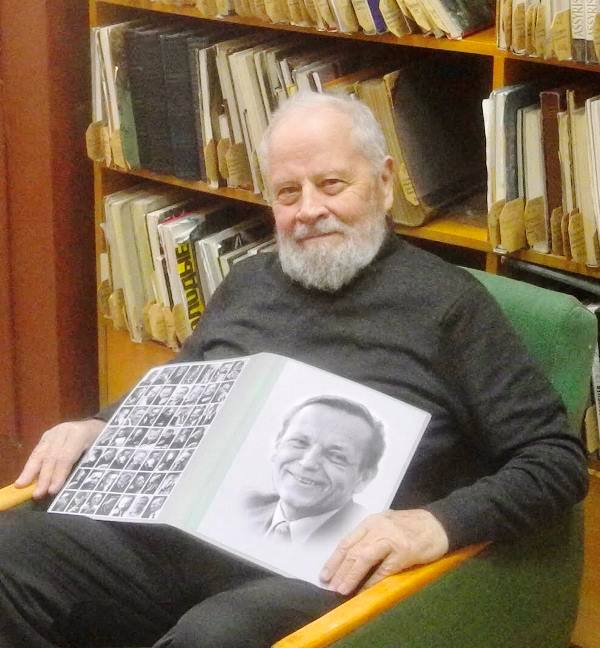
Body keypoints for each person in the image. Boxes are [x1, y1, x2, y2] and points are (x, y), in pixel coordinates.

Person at [0, 91, 587, 647]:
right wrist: (101, 425)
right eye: (287, 193)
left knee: (216, 636)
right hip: (181, 534)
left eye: (331, 184)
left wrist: (433, 525)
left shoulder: (448, 308)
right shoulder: (248, 283)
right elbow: (182, 386)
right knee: (10, 551)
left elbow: (554, 460)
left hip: (318, 567)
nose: (309, 210)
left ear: (384, 183)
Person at [245, 395, 384, 544]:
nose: (308, 463)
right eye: (299, 442)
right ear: (277, 445)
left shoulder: (370, 541)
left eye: (336, 456)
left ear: (364, 478)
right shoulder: (246, 511)